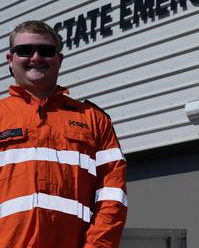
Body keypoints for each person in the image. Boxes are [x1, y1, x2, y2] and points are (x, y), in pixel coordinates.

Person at [0, 20, 128, 247]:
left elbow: (112, 195)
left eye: (46, 51)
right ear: (11, 59)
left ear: (59, 60)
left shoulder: (93, 120)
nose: (36, 57)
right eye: (25, 50)